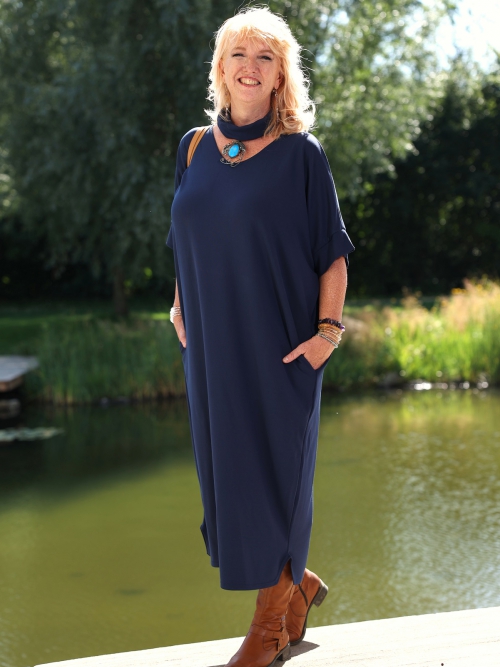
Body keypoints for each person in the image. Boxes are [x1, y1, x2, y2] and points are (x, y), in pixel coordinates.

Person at [166, 7, 354, 667]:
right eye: (239, 55)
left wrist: (328, 334)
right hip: (210, 347)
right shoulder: (194, 147)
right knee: (228, 481)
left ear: (280, 77)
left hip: (281, 347)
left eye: (265, 57)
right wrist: (179, 302)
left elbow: (333, 254)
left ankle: (270, 626)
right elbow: (187, 233)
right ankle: (295, 584)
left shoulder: (302, 155)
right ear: (221, 69)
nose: (250, 67)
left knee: (273, 478)